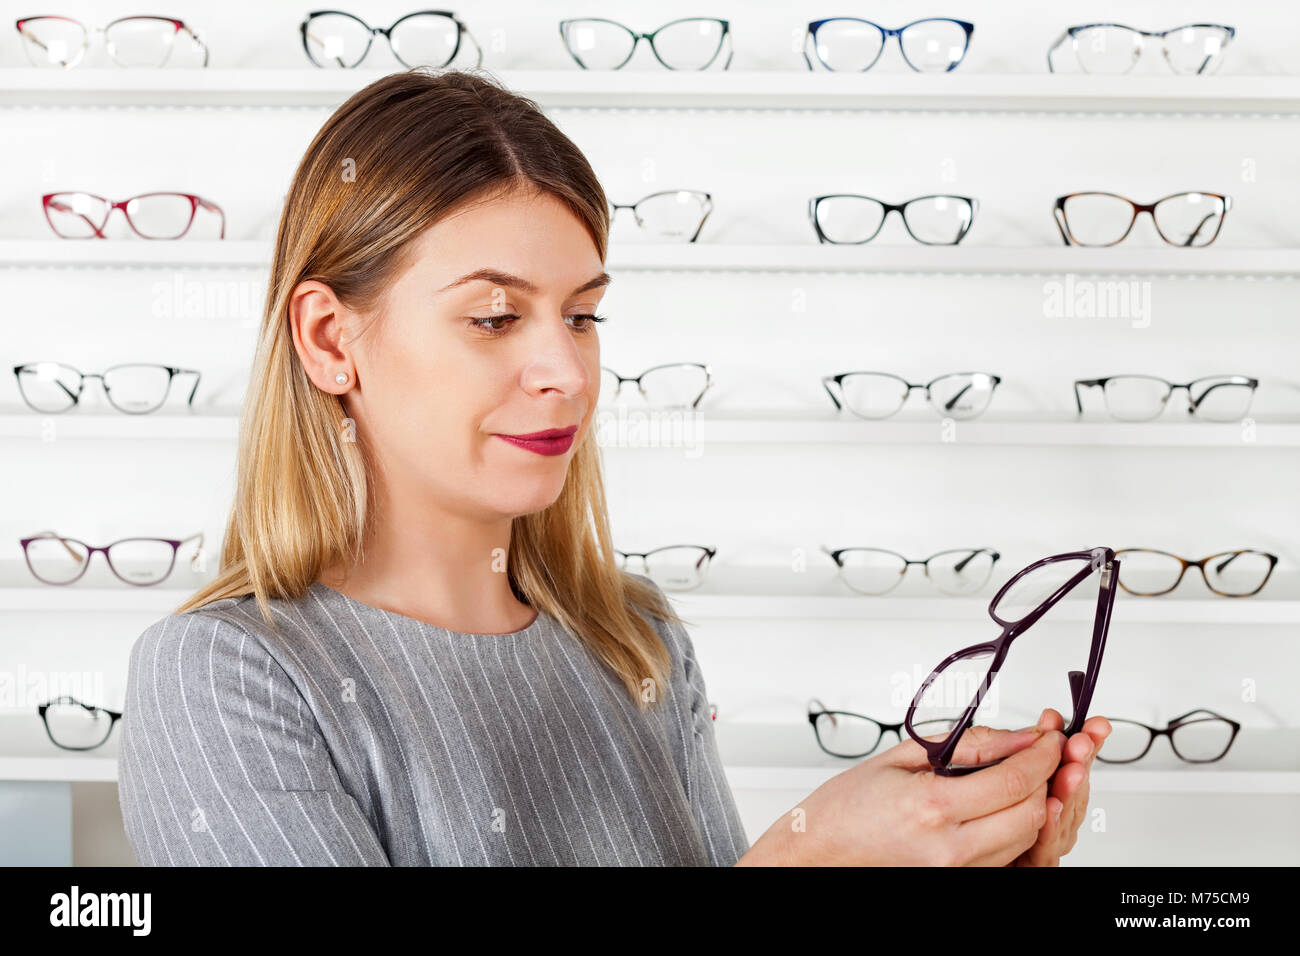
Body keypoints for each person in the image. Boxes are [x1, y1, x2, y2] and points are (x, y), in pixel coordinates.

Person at [116, 68, 1109, 867]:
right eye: (495, 316)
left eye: (583, 315)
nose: (565, 371)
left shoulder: (636, 646)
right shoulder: (226, 678)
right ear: (331, 339)